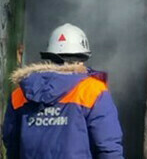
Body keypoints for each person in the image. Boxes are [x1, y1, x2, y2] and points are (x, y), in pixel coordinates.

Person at [2, 23, 124, 159]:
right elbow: (108, 147)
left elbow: (11, 143)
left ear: (50, 57)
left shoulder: (20, 95)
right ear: (82, 59)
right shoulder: (92, 91)